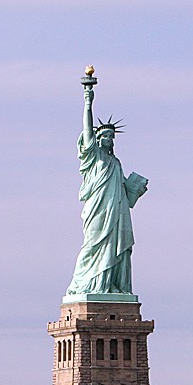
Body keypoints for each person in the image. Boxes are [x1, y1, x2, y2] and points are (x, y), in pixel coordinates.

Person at [66, 80, 148, 295]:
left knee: (115, 247)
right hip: (98, 209)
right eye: (105, 137)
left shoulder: (116, 163)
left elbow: (126, 200)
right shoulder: (94, 158)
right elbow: (86, 131)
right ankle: (87, 285)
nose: (109, 140)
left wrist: (135, 190)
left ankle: (110, 285)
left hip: (117, 211)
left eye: (112, 137)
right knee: (92, 245)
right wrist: (88, 103)